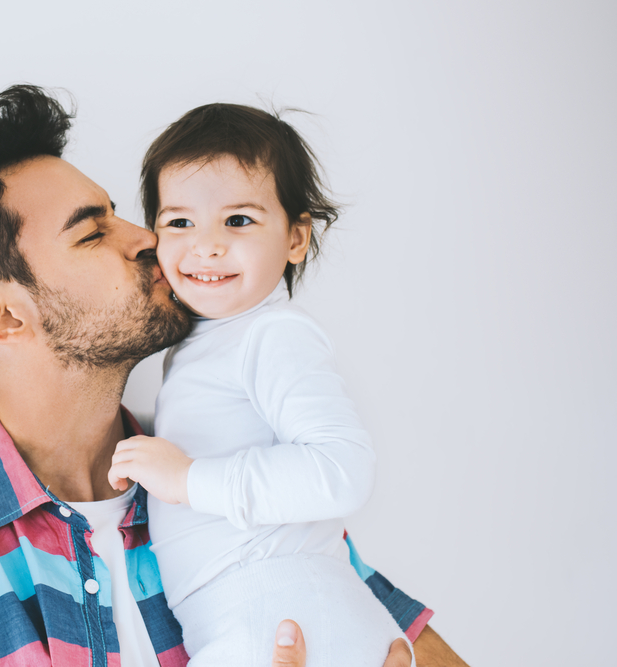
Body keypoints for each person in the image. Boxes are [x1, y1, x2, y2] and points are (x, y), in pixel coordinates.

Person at [0, 85, 465, 666]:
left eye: (122, 212)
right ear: (1, 313)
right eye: (92, 233)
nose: (152, 237)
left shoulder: (242, 480)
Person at [107, 104, 412, 666]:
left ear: (296, 238)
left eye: (238, 221)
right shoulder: (210, 341)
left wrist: (191, 480)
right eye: (179, 222)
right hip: (254, 609)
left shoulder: (273, 334)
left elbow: (342, 470)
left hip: (278, 610)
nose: (206, 245)